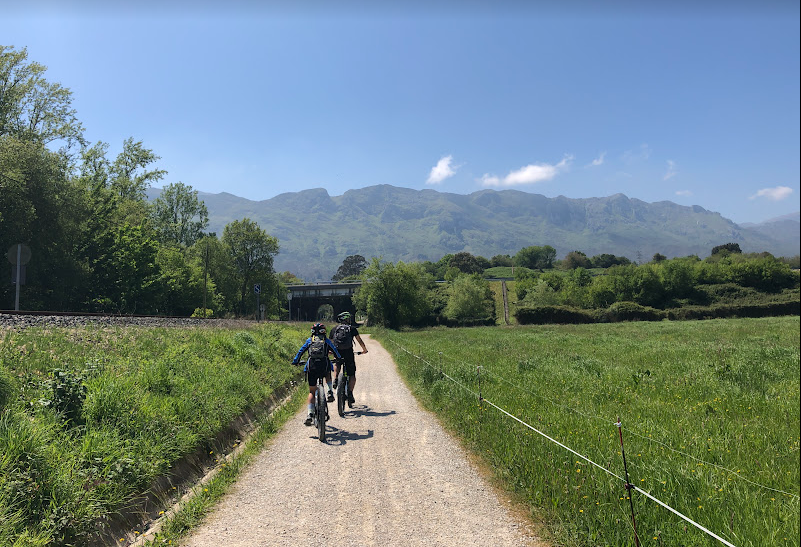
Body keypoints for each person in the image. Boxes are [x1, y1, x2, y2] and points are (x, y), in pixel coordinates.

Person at [292, 323, 342, 426]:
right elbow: (335, 350)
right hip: (323, 366)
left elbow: (301, 351)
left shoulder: (309, 341)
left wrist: (295, 361)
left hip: (312, 367)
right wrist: (339, 358)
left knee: (312, 391)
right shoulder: (326, 341)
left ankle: (310, 414)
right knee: (328, 372)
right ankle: (329, 392)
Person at [329, 311, 368, 408]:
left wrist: (330, 352)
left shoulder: (334, 329)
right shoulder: (352, 329)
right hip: (348, 353)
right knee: (352, 374)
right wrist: (364, 350)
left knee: (337, 363)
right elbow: (359, 340)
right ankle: (350, 393)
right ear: (347, 320)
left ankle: (336, 378)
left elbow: (330, 343)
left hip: (338, 352)